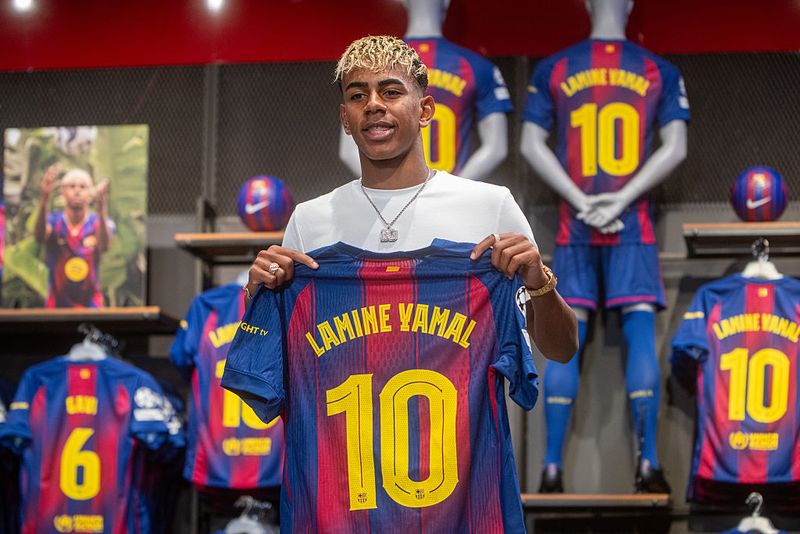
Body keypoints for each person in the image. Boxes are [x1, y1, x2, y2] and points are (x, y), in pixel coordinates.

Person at [244, 35, 577, 361]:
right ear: (346, 119)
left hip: (460, 417)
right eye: (358, 96)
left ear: (425, 110)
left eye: (390, 92)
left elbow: (561, 349)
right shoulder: (309, 220)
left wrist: (538, 280)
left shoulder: (491, 206)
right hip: (344, 415)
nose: (373, 104)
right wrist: (255, 296)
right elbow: (273, 357)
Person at [520, 0, 689, 493]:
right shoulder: (658, 69)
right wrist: (620, 199)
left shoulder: (556, 67)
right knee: (639, 334)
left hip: (576, 226)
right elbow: (674, 147)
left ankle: (551, 470)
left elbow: (531, 145)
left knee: (565, 342)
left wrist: (581, 200)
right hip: (631, 225)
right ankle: (650, 465)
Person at [338, 0, 513, 181]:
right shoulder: (477, 66)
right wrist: (454, 191)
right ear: (446, 3)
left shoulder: (370, 65)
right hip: (452, 191)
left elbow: (348, 151)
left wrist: (389, 187)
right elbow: (496, 148)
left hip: (393, 194)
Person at [34, 163, 114, 308]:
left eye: (83, 187)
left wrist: (102, 209)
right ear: (63, 192)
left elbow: (105, 246)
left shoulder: (98, 222)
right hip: (57, 305)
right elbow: (39, 237)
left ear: (90, 194)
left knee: (91, 330)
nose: (77, 190)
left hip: (90, 306)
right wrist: (43, 200)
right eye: (71, 186)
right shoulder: (54, 221)